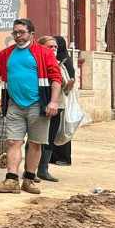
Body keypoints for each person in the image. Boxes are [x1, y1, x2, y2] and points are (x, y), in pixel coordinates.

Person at [0, 18, 63, 195]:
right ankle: (11, 180)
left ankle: (29, 179)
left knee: (35, 143)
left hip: (39, 105)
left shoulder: (44, 53)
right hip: (15, 104)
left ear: (32, 34)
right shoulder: (6, 54)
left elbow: (56, 78)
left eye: (21, 32)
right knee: (12, 141)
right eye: (15, 33)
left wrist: (53, 102)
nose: (18, 36)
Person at [35, 36, 75, 180]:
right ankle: (31, 169)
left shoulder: (60, 64)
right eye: (50, 47)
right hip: (41, 105)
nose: (53, 50)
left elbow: (63, 87)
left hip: (58, 105)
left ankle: (43, 169)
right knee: (36, 138)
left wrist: (68, 86)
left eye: (55, 47)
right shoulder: (37, 64)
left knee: (50, 138)